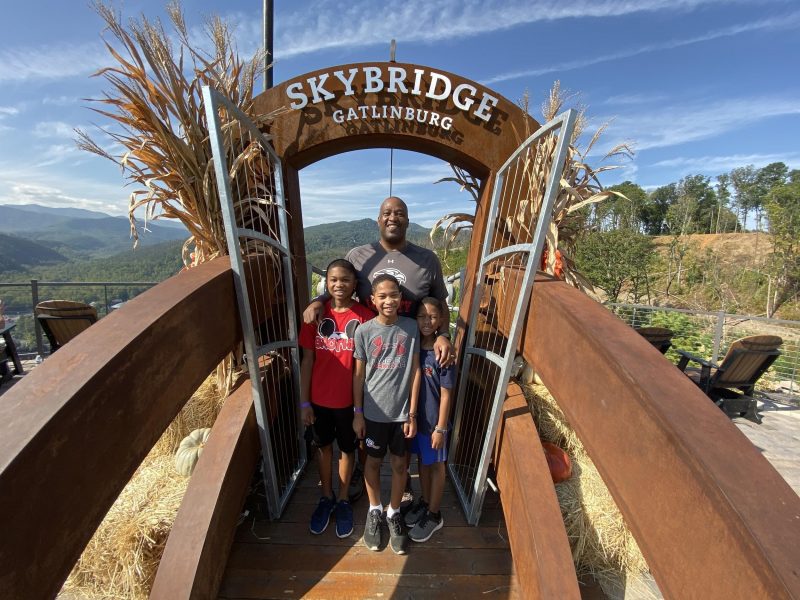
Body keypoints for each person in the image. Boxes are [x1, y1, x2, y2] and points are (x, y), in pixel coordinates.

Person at [303, 196, 455, 503]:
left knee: (406, 422)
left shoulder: (427, 259)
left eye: (400, 213)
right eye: (387, 213)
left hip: (410, 355)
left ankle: (406, 485)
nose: (393, 217)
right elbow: (337, 288)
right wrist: (316, 303)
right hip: (370, 354)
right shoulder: (358, 256)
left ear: (408, 221)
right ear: (378, 220)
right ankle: (362, 471)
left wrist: (444, 334)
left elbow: (441, 304)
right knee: (367, 419)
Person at [299, 259, 374, 538]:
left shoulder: (365, 318)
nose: (339, 285)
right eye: (333, 279)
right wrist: (304, 402)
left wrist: (358, 410)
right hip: (319, 399)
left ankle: (343, 499)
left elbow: (361, 367)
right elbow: (307, 360)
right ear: (326, 283)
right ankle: (326, 496)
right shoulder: (314, 316)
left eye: (345, 280)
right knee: (323, 448)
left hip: (349, 402)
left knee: (347, 450)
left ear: (355, 284)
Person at [352, 274, 421, 554]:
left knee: (400, 465)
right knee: (372, 462)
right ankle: (375, 509)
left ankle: (394, 513)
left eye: (393, 295)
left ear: (401, 298)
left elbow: (415, 370)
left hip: (402, 414)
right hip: (373, 413)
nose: (388, 301)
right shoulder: (364, 331)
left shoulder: (411, 328)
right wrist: (357, 412)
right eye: (382, 296)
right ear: (372, 300)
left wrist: (412, 413)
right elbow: (358, 376)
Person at [405, 297, 455, 543]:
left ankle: (435, 515)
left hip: (435, 423)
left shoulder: (442, 352)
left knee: (436, 465)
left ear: (441, 320)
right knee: (422, 462)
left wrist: (441, 428)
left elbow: (446, 394)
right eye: (422, 317)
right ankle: (426, 502)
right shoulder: (415, 346)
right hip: (418, 421)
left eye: (433, 317)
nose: (427, 321)